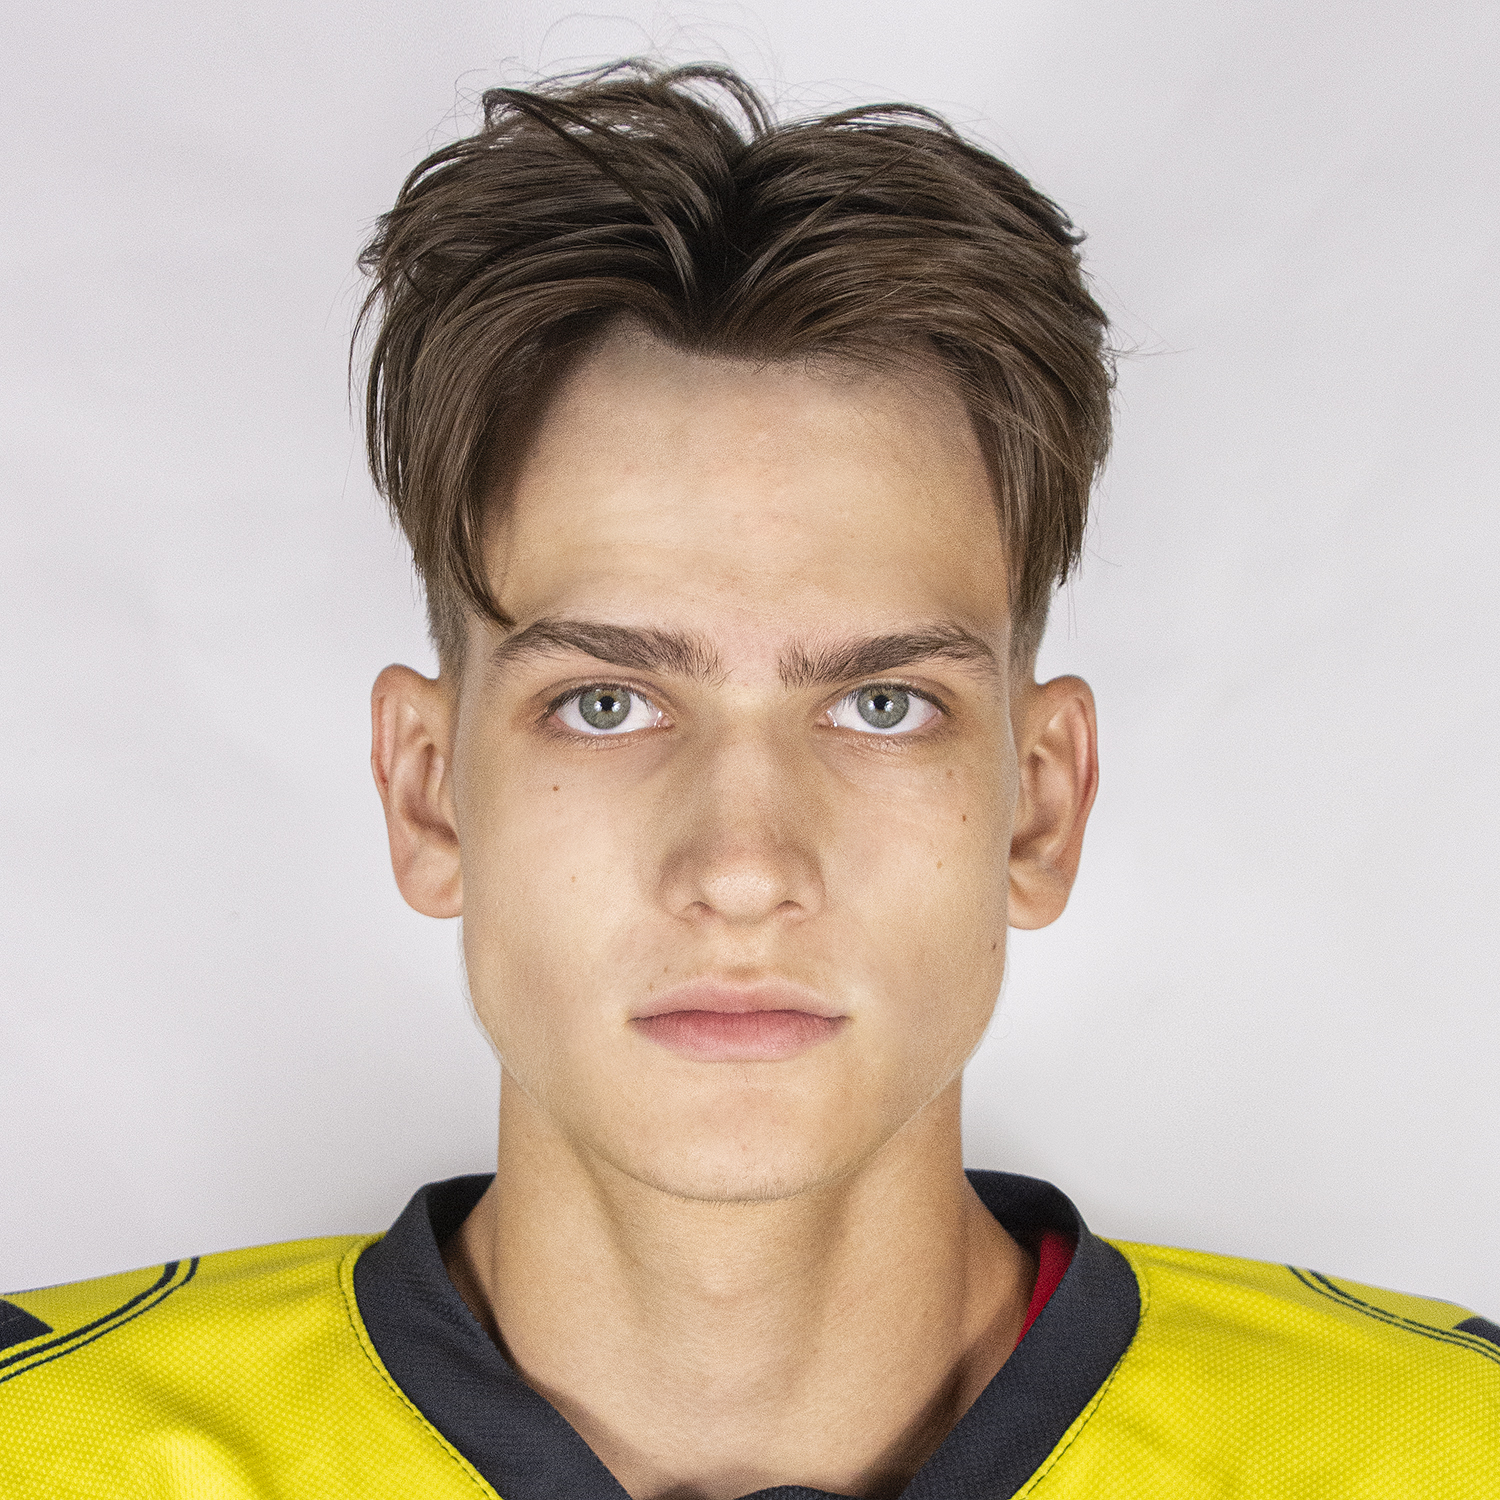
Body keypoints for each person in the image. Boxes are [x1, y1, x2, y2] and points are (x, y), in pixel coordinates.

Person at [1, 60, 1495, 1500]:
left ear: (1039, 806)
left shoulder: (1447, 1451)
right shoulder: (42, 1450)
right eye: (605, 704)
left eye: (882, 705)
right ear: (429, 793)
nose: (741, 866)